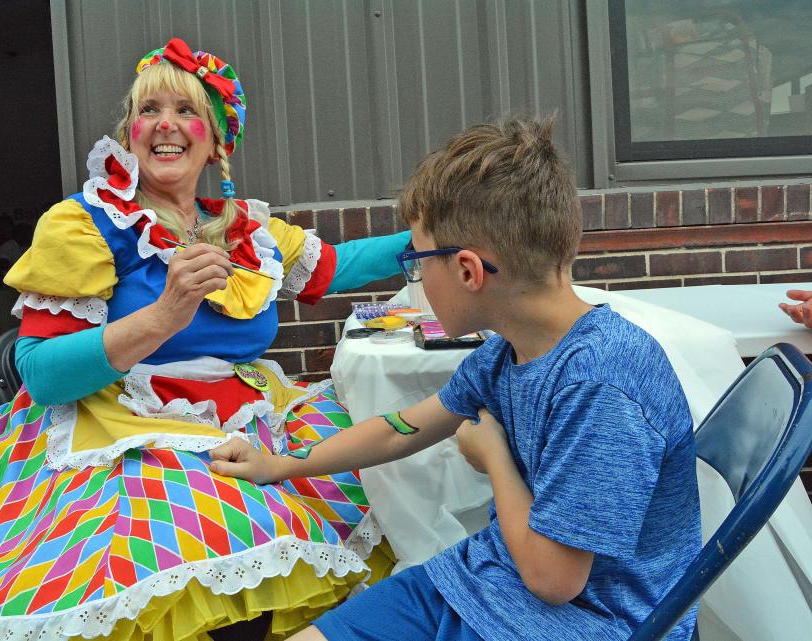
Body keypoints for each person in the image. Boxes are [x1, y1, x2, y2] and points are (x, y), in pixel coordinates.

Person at [0, 37, 409, 640]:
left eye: (186, 110)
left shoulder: (244, 228)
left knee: (380, 469)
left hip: (244, 411)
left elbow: (337, 265)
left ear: (218, 138)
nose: (165, 125)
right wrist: (162, 316)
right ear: (130, 131)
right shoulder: (85, 222)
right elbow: (40, 374)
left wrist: (432, 234)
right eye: (149, 110)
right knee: (208, 526)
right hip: (118, 422)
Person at [209, 118, 702, 641]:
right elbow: (403, 427)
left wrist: (494, 458)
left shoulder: (600, 387)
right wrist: (277, 465)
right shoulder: (507, 354)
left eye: (419, 263)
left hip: (576, 623)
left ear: (468, 271)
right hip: (484, 581)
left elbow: (553, 579)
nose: (417, 279)